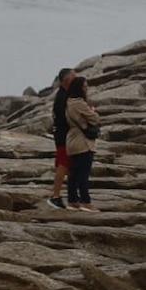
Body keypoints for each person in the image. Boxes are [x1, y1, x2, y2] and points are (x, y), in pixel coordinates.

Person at [65, 76, 100, 212]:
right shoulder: (79, 103)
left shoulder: (68, 102)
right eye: (85, 87)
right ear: (79, 88)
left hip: (72, 140)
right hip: (82, 142)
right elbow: (95, 119)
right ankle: (85, 201)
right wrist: (93, 111)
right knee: (83, 174)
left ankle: (72, 200)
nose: (87, 89)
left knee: (73, 174)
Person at [46, 67, 76, 210]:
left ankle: (72, 196)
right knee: (63, 165)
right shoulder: (63, 97)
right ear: (66, 80)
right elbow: (66, 117)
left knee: (69, 167)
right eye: (73, 78)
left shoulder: (63, 95)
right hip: (63, 137)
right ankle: (55, 196)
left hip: (64, 136)